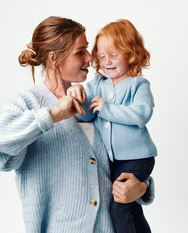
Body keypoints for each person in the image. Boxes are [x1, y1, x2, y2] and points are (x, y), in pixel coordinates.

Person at [0, 16, 154, 233]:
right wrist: (54, 114)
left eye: (88, 50)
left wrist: (142, 188)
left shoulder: (95, 100)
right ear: (54, 58)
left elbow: (114, 169)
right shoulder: (31, 102)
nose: (91, 58)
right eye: (80, 52)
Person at [67, 19, 157, 233]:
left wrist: (107, 109)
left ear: (131, 53)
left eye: (114, 54)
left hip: (137, 158)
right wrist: (77, 93)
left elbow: (142, 114)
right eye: (101, 56)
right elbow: (87, 115)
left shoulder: (138, 84)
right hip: (111, 161)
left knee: (119, 207)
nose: (107, 61)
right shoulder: (97, 84)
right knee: (130, 208)